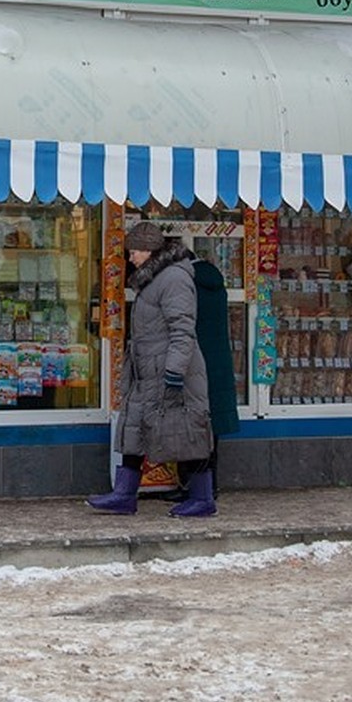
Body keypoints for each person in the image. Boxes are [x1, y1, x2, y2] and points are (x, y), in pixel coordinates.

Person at [87, 220, 213, 516]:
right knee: (135, 427)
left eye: (135, 251)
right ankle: (124, 494)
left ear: (150, 250)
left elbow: (183, 330)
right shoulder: (154, 278)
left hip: (170, 373)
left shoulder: (173, 279)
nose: (130, 257)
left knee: (182, 432)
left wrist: (174, 373)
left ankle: (203, 498)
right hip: (148, 371)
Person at [168, 246, 241, 517]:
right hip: (217, 363)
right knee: (211, 430)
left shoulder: (187, 285)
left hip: (193, 363)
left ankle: (193, 489)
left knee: (192, 428)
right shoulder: (214, 282)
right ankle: (209, 486)